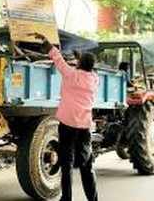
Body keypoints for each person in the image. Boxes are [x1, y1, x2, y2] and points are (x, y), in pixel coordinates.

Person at [31, 32, 99, 201]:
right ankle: (93, 199)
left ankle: (66, 199)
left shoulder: (70, 74)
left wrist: (45, 41)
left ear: (79, 64)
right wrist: (80, 59)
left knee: (66, 164)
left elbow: (57, 58)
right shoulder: (94, 79)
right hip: (84, 128)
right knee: (87, 166)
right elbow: (84, 70)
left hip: (67, 125)